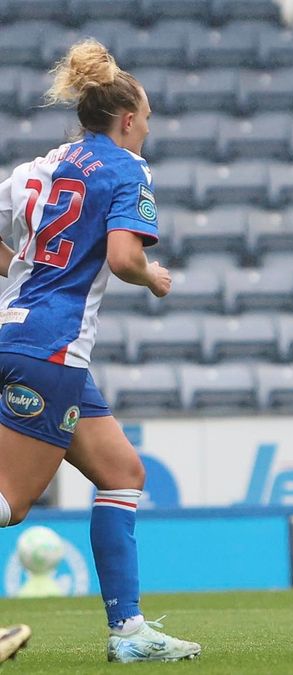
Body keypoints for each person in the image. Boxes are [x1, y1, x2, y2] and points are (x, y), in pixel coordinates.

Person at [0, 40, 200, 663]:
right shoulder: (126, 168)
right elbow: (122, 256)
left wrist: (14, 274)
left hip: (22, 334)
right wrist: (154, 277)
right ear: (128, 119)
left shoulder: (41, 166)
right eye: (147, 121)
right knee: (10, 501)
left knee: (121, 474)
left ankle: (130, 632)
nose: (146, 133)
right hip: (51, 348)